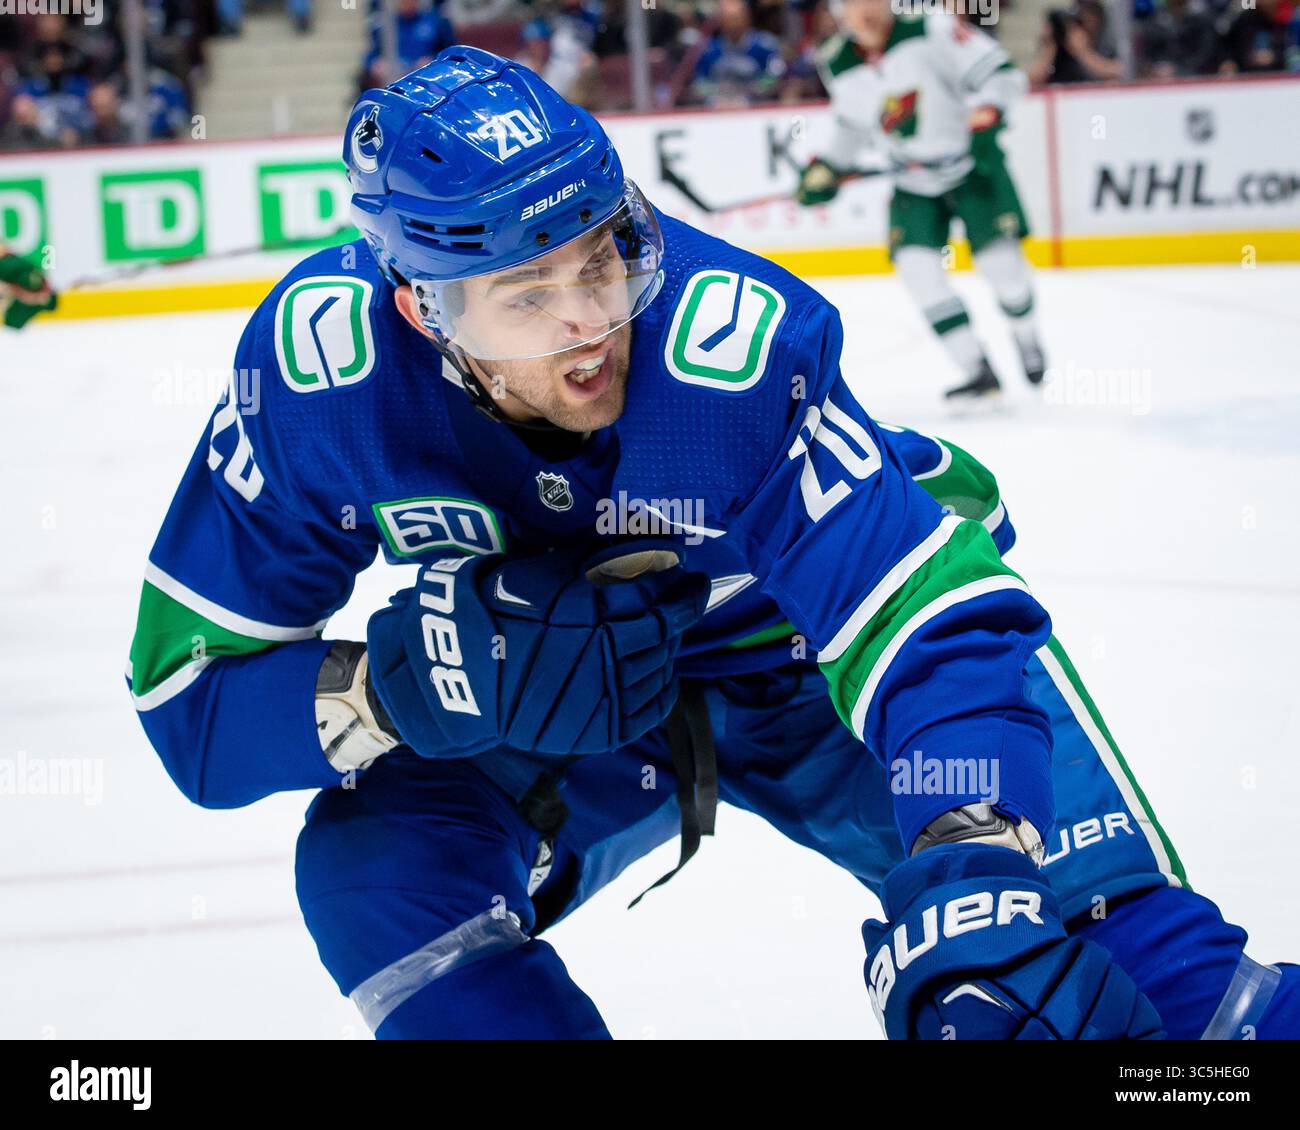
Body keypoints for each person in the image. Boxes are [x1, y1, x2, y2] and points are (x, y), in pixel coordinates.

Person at [128, 46, 1298, 1040]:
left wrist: (974, 850)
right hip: (563, 707)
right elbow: (190, 705)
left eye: (601, 255)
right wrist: (392, 686)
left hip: (819, 673)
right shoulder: (315, 381)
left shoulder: (727, 346)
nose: (589, 322)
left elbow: (922, 617)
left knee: (1115, 989)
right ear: (418, 306)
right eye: (525, 295)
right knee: (377, 873)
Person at [799, 0, 1046, 400]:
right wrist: (828, 168)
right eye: (851, 4)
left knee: (1003, 267)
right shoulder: (836, 60)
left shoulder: (931, 26)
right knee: (918, 272)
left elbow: (998, 72)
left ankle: (1026, 337)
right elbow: (853, 125)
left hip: (972, 166)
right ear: (838, 13)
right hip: (911, 181)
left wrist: (989, 108)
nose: (865, 11)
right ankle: (976, 368)